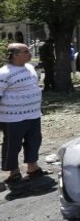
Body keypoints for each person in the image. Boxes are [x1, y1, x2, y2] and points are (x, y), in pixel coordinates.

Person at [1, 43, 47, 186]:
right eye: (26, 51)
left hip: (33, 114)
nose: (29, 53)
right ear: (14, 55)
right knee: (12, 145)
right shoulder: (4, 73)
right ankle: (13, 173)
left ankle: (33, 168)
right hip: (13, 117)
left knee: (34, 141)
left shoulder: (29, 67)